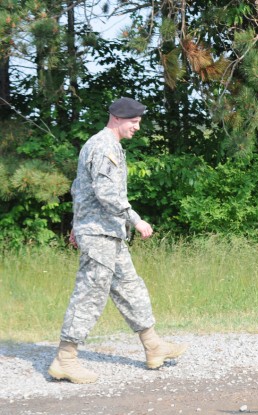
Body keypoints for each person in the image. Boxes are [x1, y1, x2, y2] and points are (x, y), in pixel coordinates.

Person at [48, 97, 188, 384]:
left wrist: (76, 224)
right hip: (99, 234)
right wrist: (135, 219)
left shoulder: (108, 146)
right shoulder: (103, 146)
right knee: (90, 293)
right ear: (118, 118)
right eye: (134, 123)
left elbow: (79, 188)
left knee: (129, 287)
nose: (137, 128)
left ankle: (153, 346)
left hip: (108, 232)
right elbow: (105, 193)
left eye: (138, 123)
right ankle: (65, 359)